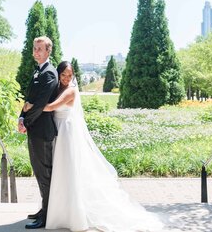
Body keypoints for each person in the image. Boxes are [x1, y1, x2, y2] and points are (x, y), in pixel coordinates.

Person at [41, 61, 165, 232]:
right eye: (63, 75)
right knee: (60, 172)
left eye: (70, 75)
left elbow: (51, 107)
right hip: (58, 131)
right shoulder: (57, 88)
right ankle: (61, 213)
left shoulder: (70, 90)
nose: (67, 78)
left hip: (67, 132)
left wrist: (30, 108)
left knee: (68, 170)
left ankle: (74, 215)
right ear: (58, 74)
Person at [18, 36, 58, 230]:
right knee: (39, 172)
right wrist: (21, 117)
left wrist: (27, 120)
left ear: (48, 51)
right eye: (34, 48)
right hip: (34, 128)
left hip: (42, 131)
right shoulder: (38, 71)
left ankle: (47, 215)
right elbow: (28, 100)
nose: (36, 52)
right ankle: (44, 209)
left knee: (45, 175)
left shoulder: (49, 73)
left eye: (40, 49)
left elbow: (40, 104)